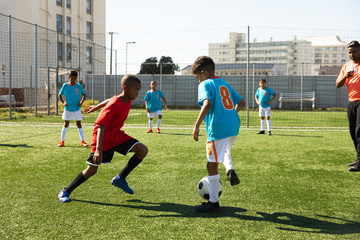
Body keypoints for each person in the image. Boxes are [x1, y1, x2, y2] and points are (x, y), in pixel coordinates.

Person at [58, 74, 148, 202]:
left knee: (142, 150)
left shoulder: (127, 98)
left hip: (115, 135)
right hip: (102, 138)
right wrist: (98, 150)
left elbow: (108, 100)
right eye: (136, 89)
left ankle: (120, 179)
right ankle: (66, 191)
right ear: (125, 88)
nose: (137, 93)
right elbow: (100, 127)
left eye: (138, 90)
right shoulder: (115, 104)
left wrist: (95, 107)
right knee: (92, 170)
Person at [192, 56, 245, 212]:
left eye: (197, 76)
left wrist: (196, 125)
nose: (197, 80)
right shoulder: (224, 83)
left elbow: (207, 103)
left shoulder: (205, 84)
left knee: (212, 164)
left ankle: (213, 203)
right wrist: (231, 115)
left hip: (218, 128)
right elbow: (241, 103)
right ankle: (230, 170)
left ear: (202, 72)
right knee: (225, 151)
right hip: (233, 126)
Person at [336, 40, 360, 172]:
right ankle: (358, 159)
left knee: (359, 132)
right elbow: (338, 84)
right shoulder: (347, 66)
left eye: (354, 52)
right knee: (352, 132)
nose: (351, 55)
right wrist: (345, 76)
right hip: (351, 102)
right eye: (350, 52)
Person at [57, 70, 88, 147]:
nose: (73, 80)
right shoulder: (65, 86)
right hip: (67, 108)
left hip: (76, 108)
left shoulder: (78, 86)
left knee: (79, 124)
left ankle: (83, 141)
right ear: (69, 77)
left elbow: (84, 94)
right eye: (72, 78)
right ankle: (62, 141)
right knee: (66, 123)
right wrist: (63, 102)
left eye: (75, 78)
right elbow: (59, 95)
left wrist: (81, 102)